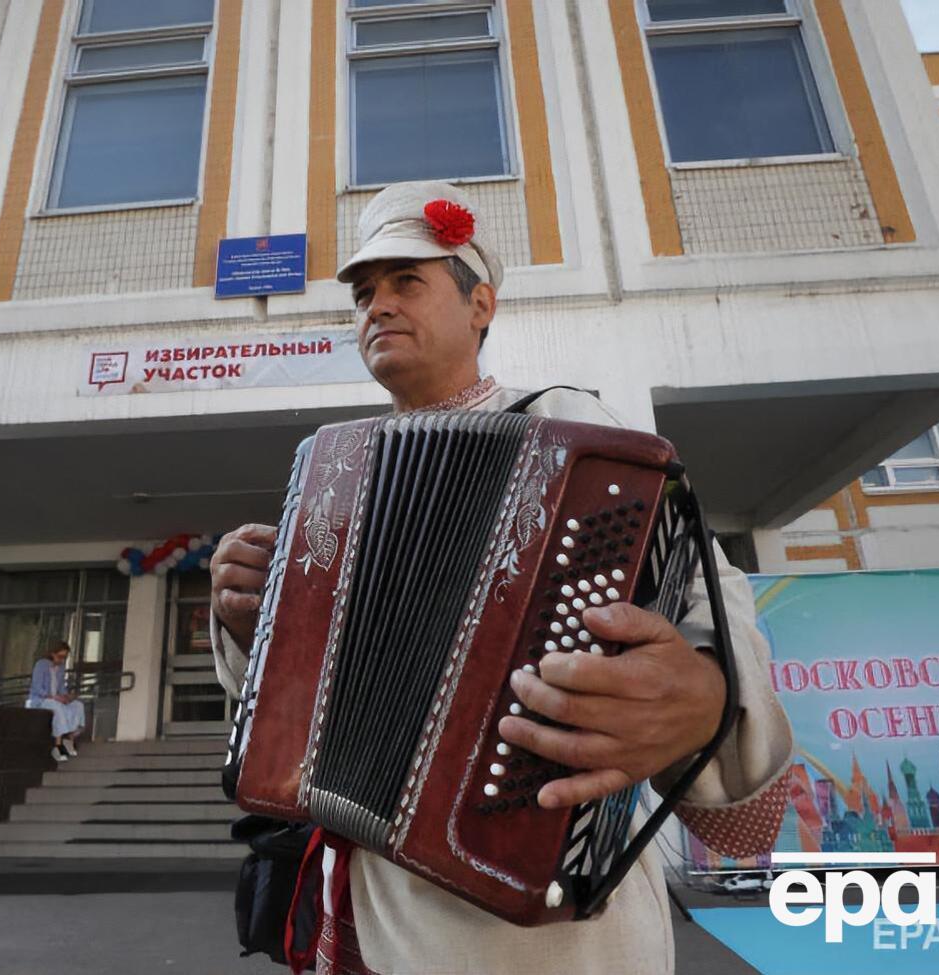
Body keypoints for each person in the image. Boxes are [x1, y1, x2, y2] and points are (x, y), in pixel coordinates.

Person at [209, 181, 794, 975]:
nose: (378, 306)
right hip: (369, 907)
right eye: (364, 293)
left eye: (406, 281)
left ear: (480, 304)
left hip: (539, 933)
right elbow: (299, 704)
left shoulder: (571, 428)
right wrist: (253, 621)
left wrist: (706, 691)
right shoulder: (337, 472)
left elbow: (708, 594)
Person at [26, 641, 85, 762]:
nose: (62, 660)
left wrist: (67, 697)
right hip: (40, 700)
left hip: (55, 698)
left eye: (65, 657)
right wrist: (54, 697)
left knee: (78, 705)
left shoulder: (61, 667)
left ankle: (70, 740)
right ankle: (58, 746)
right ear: (52, 654)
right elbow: (37, 687)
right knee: (57, 707)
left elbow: (61, 687)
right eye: (60, 656)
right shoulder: (41, 665)